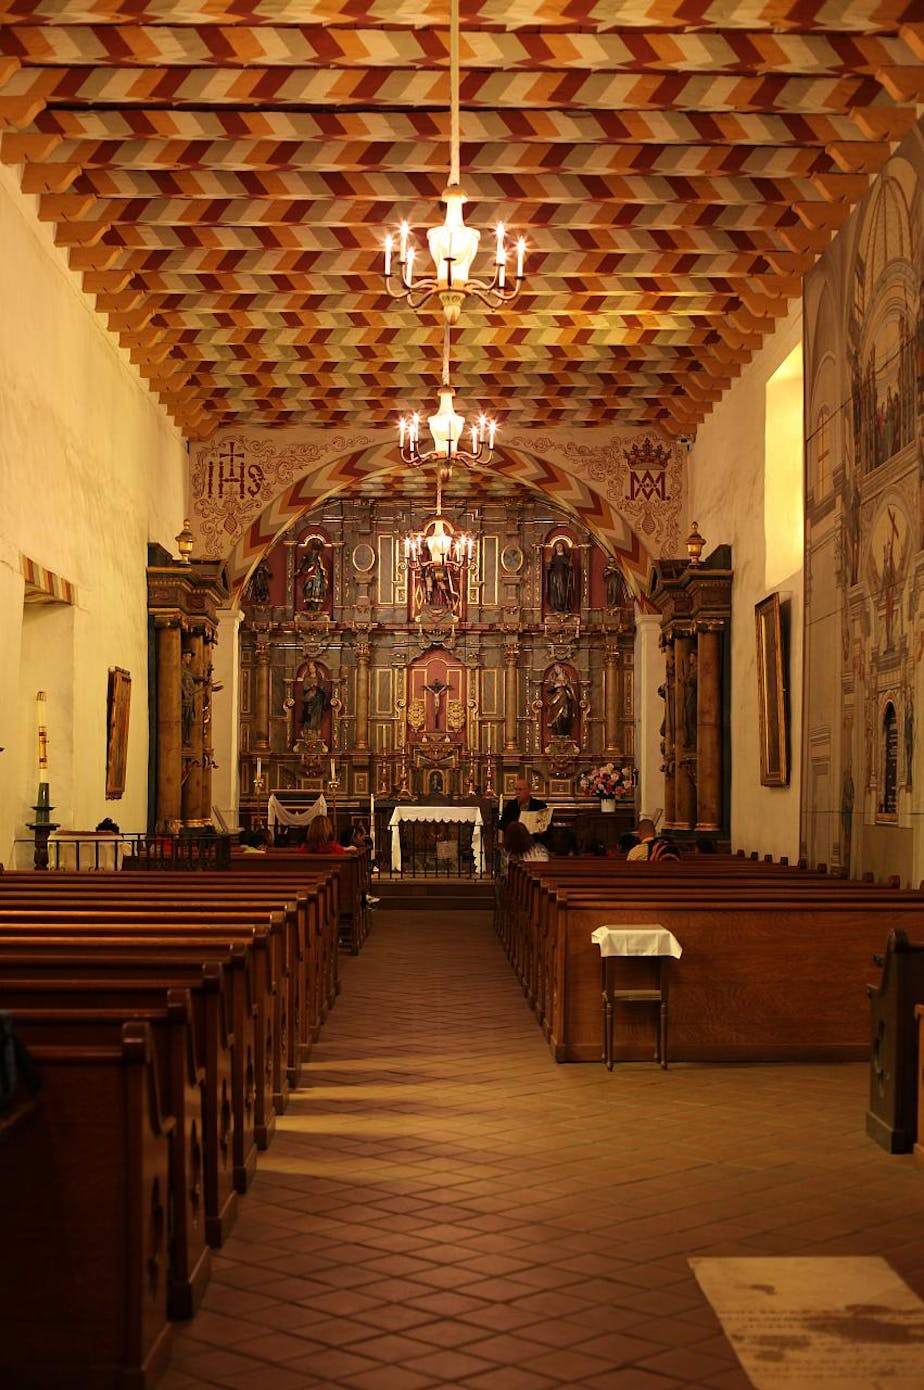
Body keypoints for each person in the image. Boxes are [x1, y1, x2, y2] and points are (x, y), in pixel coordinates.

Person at [545, 663, 577, 737]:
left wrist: (571, 693)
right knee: (556, 716)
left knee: (565, 715)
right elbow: (548, 689)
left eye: (557, 668)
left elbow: (571, 689)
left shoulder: (566, 679)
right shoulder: (553, 679)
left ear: (561, 669)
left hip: (565, 699)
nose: (556, 670)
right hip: (556, 699)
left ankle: (565, 732)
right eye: (555, 669)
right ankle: (556, 732)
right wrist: (557, 685)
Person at [546, 538, 574, 613]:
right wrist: (548, 565)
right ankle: (556, 606)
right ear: (555, 548)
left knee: (562, 592)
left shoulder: (566, 558)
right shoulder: (553, 558)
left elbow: (570, 569)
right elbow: (548, 569)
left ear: (563, 548)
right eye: (557, 547)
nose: (559, 548)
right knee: (555, 592)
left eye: (560, 547)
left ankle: (564, 606)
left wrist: (570, 566)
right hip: (554, 578)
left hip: (563, 578)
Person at [299, 540, 328, 609]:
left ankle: (316, 605)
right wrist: (299, 569)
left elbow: (323, 566)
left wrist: (323, 571)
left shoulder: (321, 556)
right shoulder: (307, 554)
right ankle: (309, 604)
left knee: (317, 588)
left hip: (318, 574)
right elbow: (302, 563)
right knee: (309, 586)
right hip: (310, 573)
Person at [300, 661, 326, 731]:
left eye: (313, 668)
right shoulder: (307, 679)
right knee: (309, 714)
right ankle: (308, 728)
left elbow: (323, 688)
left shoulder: (319, 678)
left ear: (315, 668)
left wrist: (318, 687)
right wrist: (310, 687)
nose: (311, 669)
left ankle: (315, 728)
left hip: (318, 700)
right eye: (310, 668)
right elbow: (305, 687)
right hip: (309, 699)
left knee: (316, 715)